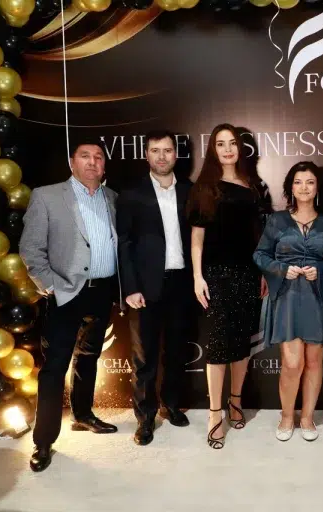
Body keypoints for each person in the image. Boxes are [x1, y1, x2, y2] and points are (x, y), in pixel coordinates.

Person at [19, 140, 121, 472]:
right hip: (65, 293)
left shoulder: (112, 198)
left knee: (89, 357)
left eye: (98, 157)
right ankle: (43, 441)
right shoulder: (47, 196)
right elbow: (31, 249)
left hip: (102, 290)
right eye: (85, 156)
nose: (92, 162)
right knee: (54, 368)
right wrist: (51, 286)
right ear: (71, 162)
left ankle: (83, 415)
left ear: (104, 165)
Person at [187, 123, 270, 449]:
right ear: (213, 149)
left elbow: (257, 235)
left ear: (240, 147)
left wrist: (261, 271)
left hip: (248, 273)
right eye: (220, 144)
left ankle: (236, 401)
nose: (227, 149)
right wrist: (198, 276)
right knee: (219, 345)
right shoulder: (206, 186)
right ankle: (214, 413)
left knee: (242, 341)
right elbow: (197, 236)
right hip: (217, 275)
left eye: (232, 143)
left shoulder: (252, 185)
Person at [253, 161, 323, 442]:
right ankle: (287, 416)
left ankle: (307, 417)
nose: (304, 187)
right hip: (287, 297)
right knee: (292, 363)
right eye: (298, 182)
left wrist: (321, 270)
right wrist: (281, 269)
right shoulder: (277, 220)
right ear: (290, 187)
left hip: (318, 297)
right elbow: (259, 255)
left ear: (317, 188)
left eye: (310, 182)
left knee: (314, 361)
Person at [116, 130, 193, 446]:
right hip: (144, 289)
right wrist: (130, 288)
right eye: (155, 150)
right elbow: (123, 243)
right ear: (146, 154)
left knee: (175, 352)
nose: (162, 156)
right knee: (144, 358)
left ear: (176, 154)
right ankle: (145, 418)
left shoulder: (189, 191)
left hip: (181, 284)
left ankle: (171, 405)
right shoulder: (131, 194)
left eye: (167, 150)